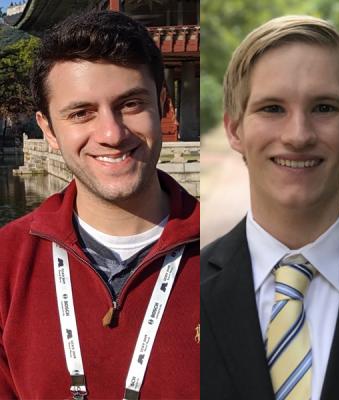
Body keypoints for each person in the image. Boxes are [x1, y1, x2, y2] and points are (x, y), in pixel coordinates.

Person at [0, 10, 199, 399]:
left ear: (163, 106)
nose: (111, 133)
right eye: (81, 113)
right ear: (48, 130)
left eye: (130, 104)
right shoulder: (7, 262)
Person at [200, 15, 339, 399]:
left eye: (323, 108)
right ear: (234, 130)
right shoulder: (187, 291)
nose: (297, 136)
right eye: (272, 108)